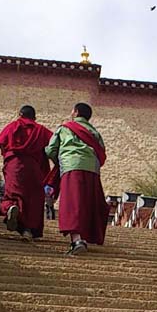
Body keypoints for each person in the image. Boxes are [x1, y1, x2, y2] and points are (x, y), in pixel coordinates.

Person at [45, 102, 109, 255]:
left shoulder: (64, 127)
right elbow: (102, 151)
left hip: (71, 167)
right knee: (87, 203)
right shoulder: (95, 132)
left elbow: (51, 150)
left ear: (75, 112)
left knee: (72, 204)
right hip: (93, 169)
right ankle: (84, 238)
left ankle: (77, 240)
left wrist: (61, 161)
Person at [0, 105, 53, 242]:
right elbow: (52, 145)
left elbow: (1, 143)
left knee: (13, 194)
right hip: (34, 167)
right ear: (34, 117)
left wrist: (9, 154)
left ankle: (11, 208)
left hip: (15, 165)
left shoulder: (13, 126)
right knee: (33, 199)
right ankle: (28, 230)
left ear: (20, 114)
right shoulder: (41, 130)